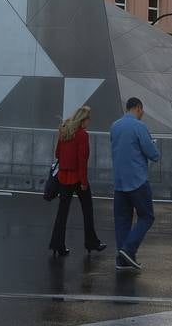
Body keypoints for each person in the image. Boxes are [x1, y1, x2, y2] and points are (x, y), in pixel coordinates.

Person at [49, 105, 107, 257]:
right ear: (83, 119)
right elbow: (82, 161)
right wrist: (83, 182)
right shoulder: (82, 135)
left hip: (63, 177)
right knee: (87, 209)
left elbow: (57, 153)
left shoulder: (65, 130)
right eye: (88, 119)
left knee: (62, 212)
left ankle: (57, 244)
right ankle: (91, 242)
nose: (89, 122)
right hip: (76, 177)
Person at [110, 96, 160, 271]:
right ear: (138, 108)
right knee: (147, 216)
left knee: (122, 219)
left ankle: (122, 260)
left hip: (119, 181)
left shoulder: (114, 126)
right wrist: (155, 147)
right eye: (142, 111)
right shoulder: (140, 127)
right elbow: (152, 153)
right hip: (137, 181)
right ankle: (128, 249)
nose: (142, 114)